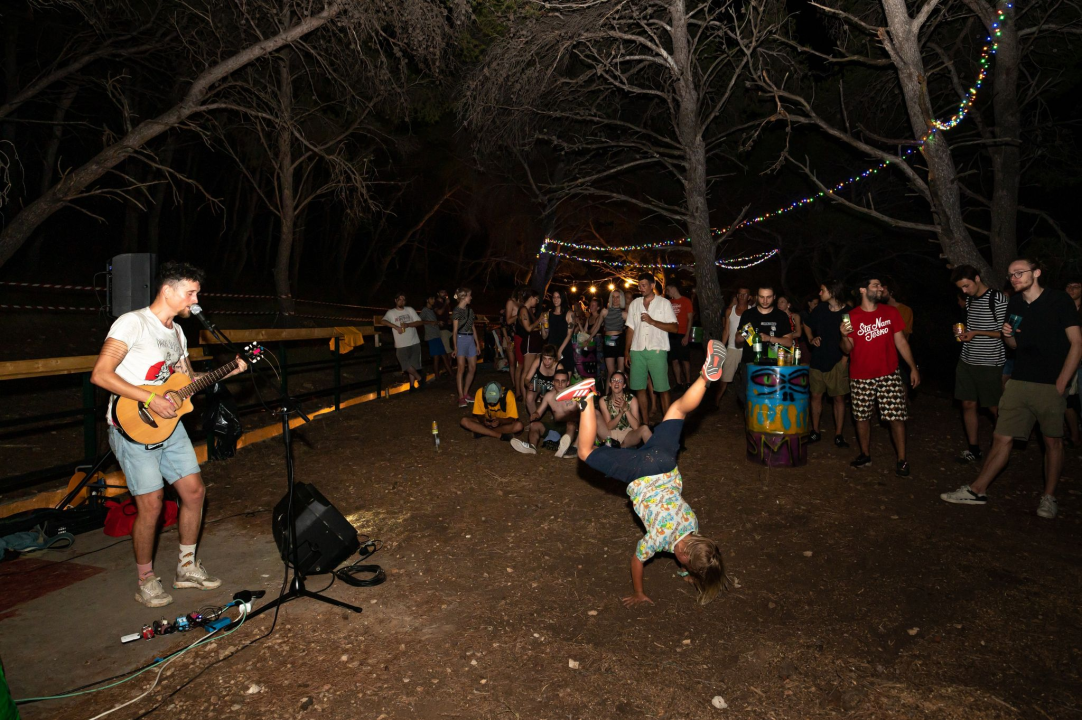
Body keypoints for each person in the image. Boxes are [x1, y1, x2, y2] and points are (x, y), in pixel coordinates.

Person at [90, 262, 247, 607]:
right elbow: (101, 374)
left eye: (197, 293)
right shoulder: (132, 323)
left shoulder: (177, 332)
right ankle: (146, 579)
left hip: (171, 425)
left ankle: (186, 568)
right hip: (133, 426)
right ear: (169, 291)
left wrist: (227, 371)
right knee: (152, 506)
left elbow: (186, 381)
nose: (196, 300)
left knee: (194, 493)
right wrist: (148, 397)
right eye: (191, 293)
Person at [562, 340, 728, 606]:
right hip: (639, 471)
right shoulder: (659, 540)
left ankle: (705, 377)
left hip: (664, 462)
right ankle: (585, 399)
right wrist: (639, 593)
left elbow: (690, 548)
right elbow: (637, 560)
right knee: (584, 451)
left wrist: (688, 570)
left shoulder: (693, 525)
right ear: (684, 557)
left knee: (677, 409)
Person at [941, 259, 1082, 519]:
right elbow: (1014, 345)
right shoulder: (1015, 304)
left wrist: (1063, 380)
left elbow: (1076, 343)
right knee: (1002, 436)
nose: (1014, 278)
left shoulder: (1059, 300)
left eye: (1020, 273)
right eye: (1011, 275)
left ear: (1036, 272)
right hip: (1019, 381)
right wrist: (1007, 333)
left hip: (1050, 382)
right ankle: (977, 490)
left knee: (1052, 441)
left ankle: (1049, 497)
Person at [840, 275, 920, 476]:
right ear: (862, 290)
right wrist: (843, 335)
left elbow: (901, 342)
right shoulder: (850, 317)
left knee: (897, 417)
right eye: (875, 285)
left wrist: (913, 367)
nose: (880, 288)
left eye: (880, 285)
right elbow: (847, 349)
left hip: (889, 373)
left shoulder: (891, 312)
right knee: (861, 417)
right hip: (860, 375)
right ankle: (865, 454)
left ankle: (902, 459)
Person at [950, 265, 1008, 463]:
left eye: (966, 286)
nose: (964, 291)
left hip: (989, 361)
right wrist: (964, 332)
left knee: (994, 407)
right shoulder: (970, 300)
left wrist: (977, 333)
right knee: (967, 404)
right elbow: (974, 326)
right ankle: (973, 449)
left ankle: (1001, 447)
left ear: (976, 278)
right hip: (966, 360)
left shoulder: (997, 298)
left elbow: (1005, 332)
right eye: (961, 289)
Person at [802, 280, 850, 447]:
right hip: (817, 359)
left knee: (838, 399)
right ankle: (815, 432)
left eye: (822, 290)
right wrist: (810, 338)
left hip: (837, 361)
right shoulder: (821, 309)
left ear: (833, 292)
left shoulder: (847, 313)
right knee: (815, 396)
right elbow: (806, 324)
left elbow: (851, 340)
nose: (819, 293)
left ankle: (838, 435)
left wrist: (845, 359)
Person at [625, 273, 679, 417]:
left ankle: (667, 423)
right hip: (637, 350)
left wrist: (653, 321)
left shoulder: (664, 303)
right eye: (639, 285)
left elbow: (674, 328)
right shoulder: (635, 304)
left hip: (657, 350)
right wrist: (627, 351)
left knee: (662, 388)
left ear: (652, 286)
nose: (641, 288)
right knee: (639, 388)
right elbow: (630, 328)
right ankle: (645, 422)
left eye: (644, 285)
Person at [734, 285, 794, 405]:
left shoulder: (780, 316)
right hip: (750, 362)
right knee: (749, 397)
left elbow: (788, 341)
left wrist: (769, 338)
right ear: (756, 297)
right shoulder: (748, 314)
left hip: (774, 364)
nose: (765, 301)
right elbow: (738, 339)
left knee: (773, 399)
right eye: (762, 297)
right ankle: (751, 422)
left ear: (774, 297)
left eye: (768, 297)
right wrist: (741, 337)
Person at [512, 368, 581, 458]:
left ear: (568, 383)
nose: (560, 384)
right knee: (534, 425)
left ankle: (564, 448)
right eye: (557, 381)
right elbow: (539, 412)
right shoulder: (549, 396)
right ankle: (532, 447)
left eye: (563, 381)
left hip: (572, 429)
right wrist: (535, 414)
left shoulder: (575, 397)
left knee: (571, 425)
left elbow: (584, 416)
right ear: (553, 382)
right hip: (556, 426)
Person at [594, 371, 653, 448]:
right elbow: (609, 426)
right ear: (610, 384)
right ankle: (582, 446)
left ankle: (657, 455)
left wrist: (626, 409)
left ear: (624, 385)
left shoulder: (632, 399)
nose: (616, 383)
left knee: (645, 429)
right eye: (614, 380)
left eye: (620, 381)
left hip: (628, 435)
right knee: (594, 412)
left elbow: (636, 427)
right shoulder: (603, 401)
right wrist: (620, 413)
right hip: (610, 435)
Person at [715, 287, 750, 407]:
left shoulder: (753, 311)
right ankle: (716, 402)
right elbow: (726, 331)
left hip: (747, 349)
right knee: (725, 377)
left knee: (748, 379)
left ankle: (748, 404)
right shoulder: (730, 310)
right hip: (732, 347)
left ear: (749, 297)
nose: (742, 297)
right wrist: (721, 346)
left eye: (745, 295)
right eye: (740, 294)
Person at [382, 292, 425, 390]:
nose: (401, 301)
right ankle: (420, 378)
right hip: (401, 344)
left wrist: (408, 325)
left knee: (413, 365)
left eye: (403, 299)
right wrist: (396, 327)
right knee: (405, 364)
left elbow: (419, 322)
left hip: (414, 341)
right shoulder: (391, 312)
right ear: (395, 300)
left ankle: (411, 386)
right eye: (399, 299)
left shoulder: (410, 310)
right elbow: (383, 321)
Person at [460, 381, 524, 441]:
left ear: (500, 394)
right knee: (464, 421)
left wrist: (500, 421)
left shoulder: (508, 395)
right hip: (486, 422)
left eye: (495, 399)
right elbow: (478, 414)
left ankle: (483, 432)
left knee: (518, 426)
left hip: (502, 423)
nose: (492, 403)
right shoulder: (480, 393)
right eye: (489, 399)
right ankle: (499, 435)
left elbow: (512, 419)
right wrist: (484, 420)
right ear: (485, 394)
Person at [451, 287, 480, 407]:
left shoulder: (470, 311)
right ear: (464, 297)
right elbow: (455, 331)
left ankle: (466, 393)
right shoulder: (456, 311)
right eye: (469, 295)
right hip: (461, 339)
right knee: (461, 369)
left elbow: (473, 327)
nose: (471, 297)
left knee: (472, 368)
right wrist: (455, 347)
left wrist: (477, 343)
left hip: (470, 339)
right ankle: (461, 396)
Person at [666, 282, 695, 390]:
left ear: (673, 288)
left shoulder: (686, 301)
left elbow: (690, 319)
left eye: (668, 290)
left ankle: (688, 382)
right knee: (674, 359)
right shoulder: (668, 302)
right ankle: (678, 383)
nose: (667, 293)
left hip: (683, 333)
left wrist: (687, 335)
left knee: (684, 359)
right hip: (672, 334)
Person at [516, 290, 545, 400]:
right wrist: (539, 321)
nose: (537, 302)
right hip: (529, 342)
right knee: (527, 371)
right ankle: (524, 398)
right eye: (536, 299)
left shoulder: (528, 310)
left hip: (535, 342)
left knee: (534, 370)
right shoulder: (523, 310)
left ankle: (533, 395)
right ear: (531, 297)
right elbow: (528, 328)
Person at [1064, 277, 1082, 446]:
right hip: (1065, 359)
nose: (1071, 289)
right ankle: (1074, 435)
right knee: (1066, 399)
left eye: (1076, 286)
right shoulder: (1062, 308)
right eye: (1069, 285)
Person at [420, 295, 453, 382]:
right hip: (431, 337)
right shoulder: (425, 310)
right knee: (436, 358)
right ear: (427, 300)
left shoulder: (432, 310)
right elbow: (419, 321)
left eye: (434, 298)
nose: (433, 300)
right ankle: (438, 377)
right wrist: (432, 322)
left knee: (444, 356)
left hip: (437, 335)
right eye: (432, 298)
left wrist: (438, 323)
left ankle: (451, 374)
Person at [524, 344, 562, 415]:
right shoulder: (538, 362)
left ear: (554, 359)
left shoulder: (559, 367)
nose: (546, 362)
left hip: (553, 388)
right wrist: (528, 384)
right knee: (529, 397)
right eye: (544, 358)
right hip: (538, 385)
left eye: (549, 359)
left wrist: (549, 395)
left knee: (556, 394)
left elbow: (562, 386)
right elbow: (527, 378)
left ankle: (557, 416)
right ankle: (534, 420)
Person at [600, 288, 628, 380]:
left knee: (621, 371)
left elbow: (633, 328)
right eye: (613, 297)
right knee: (611, 373)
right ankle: (608, 394)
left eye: (618, 297)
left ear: (621, 299)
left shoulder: (624, 314)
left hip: (620, 340)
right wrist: (588, 337)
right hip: (608, 340)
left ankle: (624, 392)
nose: (615, 299)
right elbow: (597, 326)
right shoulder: (605, 311)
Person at [546, 289, 575, 374]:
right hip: (552, 348)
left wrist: (559, 351)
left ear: (562, 298)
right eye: (554, 297)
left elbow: (569, 334)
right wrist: (544, 327)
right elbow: (545, 336)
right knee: (554, 378)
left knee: (566, 377)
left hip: (565, 348)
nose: (555, 299)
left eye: (558, 297)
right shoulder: (549, 314)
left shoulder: (569, 314)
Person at [503, 288, 522, 388]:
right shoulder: (510, 302)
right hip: (509, 336)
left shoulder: (521, 304)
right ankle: (515, 384)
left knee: (520, 362)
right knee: (512, 362)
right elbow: (507, 322)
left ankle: (518, 384)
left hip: (519, 335)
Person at [434, 289, 453, 355]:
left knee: (451, 346)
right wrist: (445, 303)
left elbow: (447, 313)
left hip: (448, 327)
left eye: (445, 292)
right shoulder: (436, 303)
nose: (444, 294)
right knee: (447, 349)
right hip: (441, 329)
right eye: (442, 292)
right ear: (438, 293)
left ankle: (450, 364)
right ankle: (448, 365)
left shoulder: (445, 303)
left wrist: (450, 319)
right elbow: (439, 312)